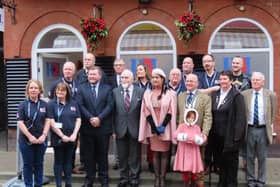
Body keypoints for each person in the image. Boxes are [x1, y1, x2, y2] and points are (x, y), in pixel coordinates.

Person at [138, 68, 177, 187]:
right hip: (152, 127)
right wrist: (154, 127)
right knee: (155, 153)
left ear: (162, 79)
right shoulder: (147, 93)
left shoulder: (171, 93)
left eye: (157, 77)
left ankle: (163, 178)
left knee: (165, 153)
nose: (154, 79)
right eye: (153, 77)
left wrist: (163, 125)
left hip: (166, 127)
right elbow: (145, 110)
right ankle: (156, 178)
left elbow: (172, 111)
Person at [77, 66, 113, 187]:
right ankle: (89, 179)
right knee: (89, 155)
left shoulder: (108, 89)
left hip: (103, 127)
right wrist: (91, 118)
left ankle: (104, 179)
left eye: (94, 74)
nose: (91, 76)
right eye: (90, 74)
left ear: (100, 76)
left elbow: (110, 106)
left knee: (102, 154)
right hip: (87, 128)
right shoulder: (81, 88)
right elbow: (80, 105)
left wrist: (99, 118)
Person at [210, 70, 246, 187]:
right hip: (217, 137)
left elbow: (241, 118)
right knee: (221, 164)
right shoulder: (215, 94)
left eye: (225, 79)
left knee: (231, 166)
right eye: (221, 79)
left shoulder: (237, 96)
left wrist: (237, 138)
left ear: (231, 81)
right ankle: (221, 183)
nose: (223, 81)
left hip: (230, 138)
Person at [242, 72, 277, 187]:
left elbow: (272, 113)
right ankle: (251, 179)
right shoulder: (244, 94)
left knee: (262, 157)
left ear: (263, 82)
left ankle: (261, 180)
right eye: (253, 80)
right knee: (250, 156)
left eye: (257, 80)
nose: (255, 82)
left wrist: (268, 126)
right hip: (250, 129)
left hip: (262, 129)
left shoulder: (270, 95)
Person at [177, 73, 212, 186]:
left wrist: (204, 134)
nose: (189, 83)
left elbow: (208, 117)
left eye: (192, 81)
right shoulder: (181, 96)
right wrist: (179, 132)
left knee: (199, 160)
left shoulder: (205, 98)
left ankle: (198, 182)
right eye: (187, 81)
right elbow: (178, 116)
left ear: (197, 83)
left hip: (198, 136)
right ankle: (187, 182)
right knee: (185, 161)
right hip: (184, 137)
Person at [112, 69, 144, 187]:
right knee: (122, 155)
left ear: (132, 79)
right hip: (120, 129)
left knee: (135, 154)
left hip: (135, 128)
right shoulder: (115, 92)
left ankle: (134, 177)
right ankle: (123, 178)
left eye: (126, 77)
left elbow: (143, 113)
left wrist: (142, 130)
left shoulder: (140, 91)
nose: (124, 80)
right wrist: (113, 130)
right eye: (122, 78)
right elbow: (112, 112)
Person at [17, 79, 50, 187]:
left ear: (40, 90)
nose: (33, 90)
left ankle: (38, 184)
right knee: (27, 165)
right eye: (31, 88)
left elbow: (48, 120)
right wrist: (30, 136)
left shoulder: (45, 105)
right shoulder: (23, 104)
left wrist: (44, 135)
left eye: (36, 88)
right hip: (26, 141)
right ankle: (28, 185)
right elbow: (20, 122)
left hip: (41, 140)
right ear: (27, 90)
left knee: (39, 164)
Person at [48, 82, 81, 187]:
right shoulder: (51, 104)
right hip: (58, 137)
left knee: (68, 162)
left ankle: (68, 183)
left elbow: (78, 119)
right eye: (58, 90)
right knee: (58, 161)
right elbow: (51, 122)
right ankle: (58, 184)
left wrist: (75, 134)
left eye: (63, 90)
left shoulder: (73, 103)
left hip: (71, 137)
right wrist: (62, 136)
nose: (60, 92)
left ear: (67, 92)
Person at [173, 108, 207, 187]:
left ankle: (193, 184)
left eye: (192, 118)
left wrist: (198, 139)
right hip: (184, 150)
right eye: (189, 117)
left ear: (195, 118)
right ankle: (185, 184)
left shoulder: (197, 128)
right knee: (185, 170)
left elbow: (200, 138)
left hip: (193, 151)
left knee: (194, 169)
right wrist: (187, 137)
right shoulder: (182, 126)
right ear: (186, 117)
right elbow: (175, 135)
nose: (190, 119)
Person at [231, 56, 252, 170]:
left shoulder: (248, 78)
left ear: (242, 65)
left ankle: (246, 163)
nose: (235, 65)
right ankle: (231, 163)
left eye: (237, 63)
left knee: (244, 139)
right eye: (233, 63)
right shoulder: (226, 77)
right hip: (229, 113)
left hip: (244, 112)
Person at [134, 63, 153, 171]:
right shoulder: (135, 85)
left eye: (141, 69)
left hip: (150, 114)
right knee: (138, 140)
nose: (139, 72)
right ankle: (138, 164)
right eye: (137, 70)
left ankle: (151, 163)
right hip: (137, 114)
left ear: (146, 71)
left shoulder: (151, 83)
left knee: (151, 139)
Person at [109, 58, 126, 170]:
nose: (118, 67)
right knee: (116, 139)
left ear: (124, 66)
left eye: (120, 65)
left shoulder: (128, 79)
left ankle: (126, 161)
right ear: (114, 67)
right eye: (116, 65)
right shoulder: (109, 80)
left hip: (126, 112)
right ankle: (117, 161)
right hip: (114, 113)